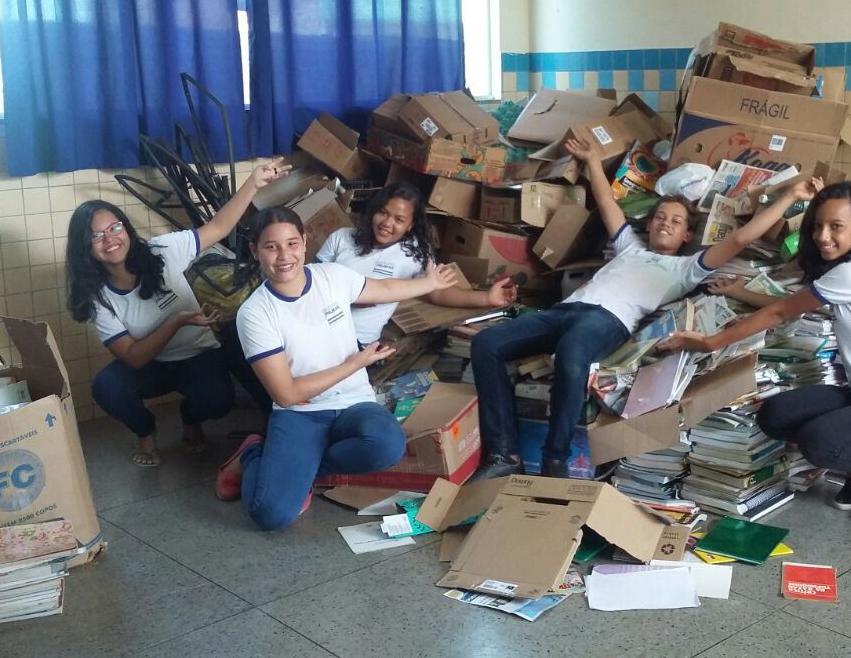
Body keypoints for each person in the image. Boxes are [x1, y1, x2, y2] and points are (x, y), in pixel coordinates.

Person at [470, 137, 823, 480]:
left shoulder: (686, 268)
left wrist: (790, 195)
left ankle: (555, 460)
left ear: (687, 235)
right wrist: (592, 161)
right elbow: (606, 202)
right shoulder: (630, 247)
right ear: (650, 224)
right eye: (660, 217)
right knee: (486, 344)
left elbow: (741, 239)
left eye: (676, 221)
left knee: (571, 353)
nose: (665, 223)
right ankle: (504, 454)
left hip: (606, 320)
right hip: (564, 311)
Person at [660, 182, 851, 526]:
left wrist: (712, 342)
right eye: (818, 225)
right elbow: (792, 304)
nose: (822, 236)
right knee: (776, 415)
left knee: (818, 442)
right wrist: (741, 292)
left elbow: (781, 312)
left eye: (836, 226)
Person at [215, 206, 458, 530]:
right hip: (301, 413)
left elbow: (385, 289)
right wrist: (353, 364)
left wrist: (428, 283)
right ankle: (253, 454)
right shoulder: (255, 313)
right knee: (270, 514)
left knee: (387, 445)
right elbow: (286, 394)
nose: (284, 256)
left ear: (304, 241)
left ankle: (302, 472)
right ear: (255, 250)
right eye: (271, 247)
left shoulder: (331, 276)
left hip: (353, 403)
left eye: (292, 243)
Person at [66, 159, 286, 467]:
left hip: (198, 356)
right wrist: (178, 320)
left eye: (115, 228)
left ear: (126, 229)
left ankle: (191, 418)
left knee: (218, 400)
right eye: (97, 235)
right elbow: (133, 357)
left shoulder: (163, 251)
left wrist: (253, 183)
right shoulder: (98, 297)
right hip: (151, 367)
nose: (110, 239)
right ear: (85, 247)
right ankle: (145, 432)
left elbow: (219, 228)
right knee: (107, 387)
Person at [316, 181, 517, 346]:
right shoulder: (342, 237)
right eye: (383, 212)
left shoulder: (413, 252)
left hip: (355, 341)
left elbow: (437, 291)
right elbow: (309, 283)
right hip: (315, 327)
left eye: (399, 220)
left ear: (410, 225)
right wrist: (348, 297)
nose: (387, 223)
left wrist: (486, 298)